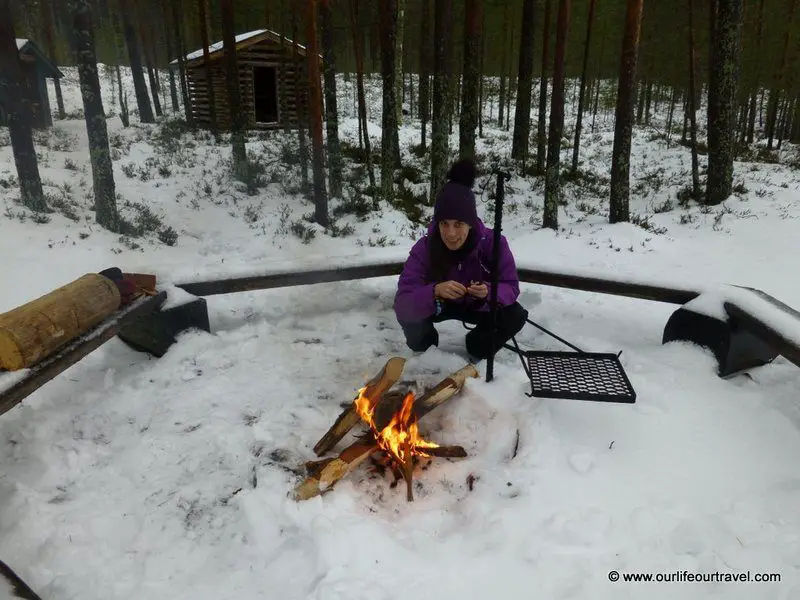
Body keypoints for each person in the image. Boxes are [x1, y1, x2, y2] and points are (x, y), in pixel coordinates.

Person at [393, 159, 528, 360]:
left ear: (471, 224)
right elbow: (403, 302)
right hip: (440, 305)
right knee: (410, 316)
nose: (451, 233)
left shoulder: (493, 243)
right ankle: (425, 347)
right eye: (444, 223)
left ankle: (477, 344)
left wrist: (488, 293)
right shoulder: (424, 248)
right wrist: (434, 291)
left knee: (514, 314)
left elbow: (510, 286)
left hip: (476, 305)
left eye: (458, 224)